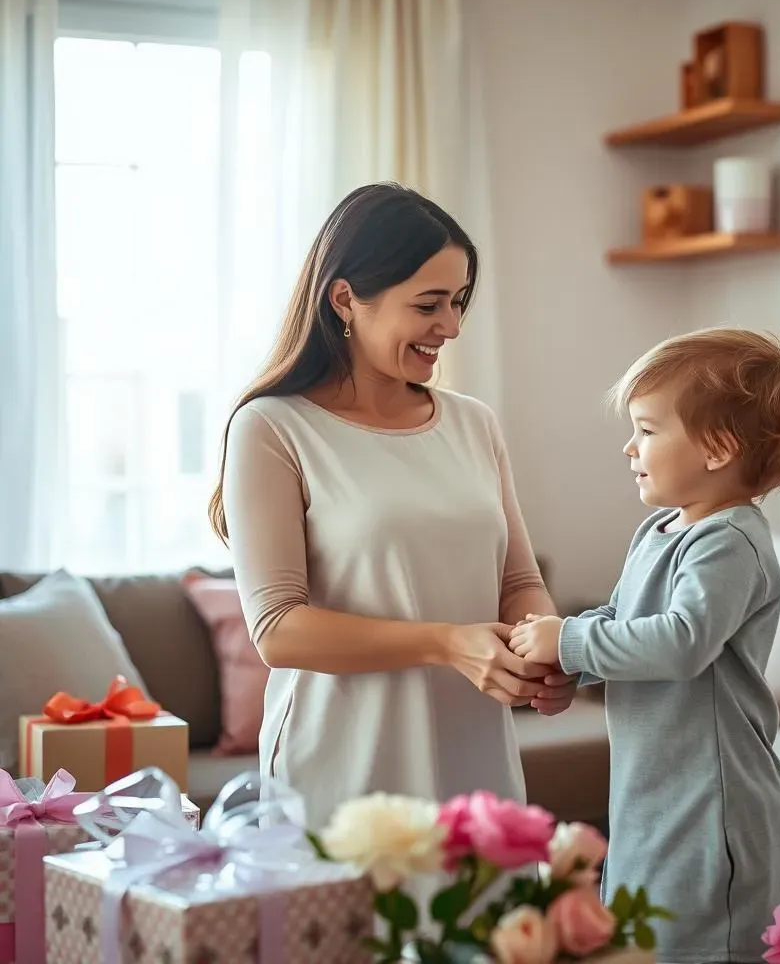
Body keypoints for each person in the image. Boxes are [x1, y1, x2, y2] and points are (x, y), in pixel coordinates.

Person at [208, 182, 574, 831]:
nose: (452, 327)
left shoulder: (472, 424)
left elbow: (518, 582)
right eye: (429, 304)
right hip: (344, 768)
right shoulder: (272, 428)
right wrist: (446, 643)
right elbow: (278, 629)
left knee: (486, 929)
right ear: (345, 298)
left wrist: (546, 649)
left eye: (458, 302)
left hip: (475, 759)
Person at [509, 327, 780, 964]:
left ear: (717, 448)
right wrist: (573, 669)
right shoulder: (658, 530)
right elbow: (623, 621)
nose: (629, 447)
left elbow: (681, 642)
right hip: (651, 789)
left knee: (701, 939)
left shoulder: (730, 541)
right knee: (641, 934)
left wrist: (568, 640)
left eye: (647, 430)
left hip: (712, 799)